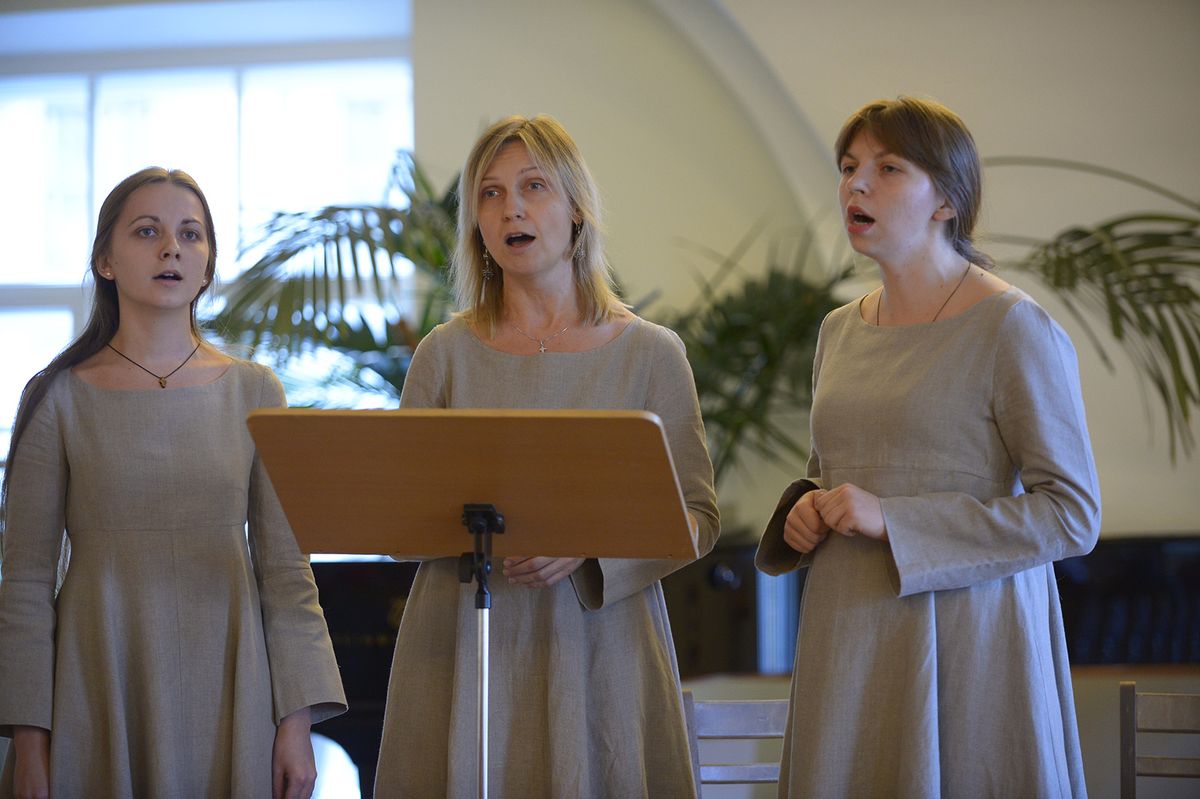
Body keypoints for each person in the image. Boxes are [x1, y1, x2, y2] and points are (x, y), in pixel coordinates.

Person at [755, 96, 1101, 798]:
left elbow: (1072, 515)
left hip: (971, 644)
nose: (856, 184)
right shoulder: (838, 330)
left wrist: (895, 519)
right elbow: (833, 471)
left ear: (946, 199)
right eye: (848, 167)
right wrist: (805, 508)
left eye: (887, 168)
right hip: (847, 637)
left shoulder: (1011, 327)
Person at [374, 115, 720, 797]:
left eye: (534, 186)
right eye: (491, 193)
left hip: (600, 646)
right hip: (463, 644)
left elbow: (697, 518)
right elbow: (399, 522)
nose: (512, 208)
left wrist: (590, 545)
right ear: (477, 223)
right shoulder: (443, 354)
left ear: (577, 209)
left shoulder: (651, 353)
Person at [0, 167, 347, 799]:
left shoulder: (256, 392)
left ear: (208, 264)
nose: (171, 249)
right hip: (95, 686)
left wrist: (295, 724)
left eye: (190, 234)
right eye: (147, 231)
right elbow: (24, 583)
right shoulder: (54, 398)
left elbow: (286, 574)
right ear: (105, 260)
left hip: (232, 685)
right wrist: (29, 742)